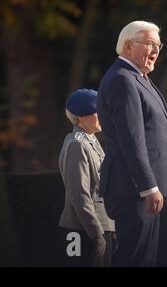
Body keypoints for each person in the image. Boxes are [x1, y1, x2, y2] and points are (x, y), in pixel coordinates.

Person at [97, 20, 167, 266]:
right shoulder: (123, 80)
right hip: (133, 190)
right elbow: (131, 139)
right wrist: (149, 187)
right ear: (127, 47)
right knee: (135, 260)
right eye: (149, 44)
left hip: (140, 190)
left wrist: (162, 184)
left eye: (159, 44)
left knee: (145, 259)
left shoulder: (137, 77)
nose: (156, 50)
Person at [58, 89, 115, 266]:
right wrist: (96, 234)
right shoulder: (77, 144)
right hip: (87, 229)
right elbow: (80, 194)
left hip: (97, 226)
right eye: (97, 111)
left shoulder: (89, 140)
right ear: (80, 117)